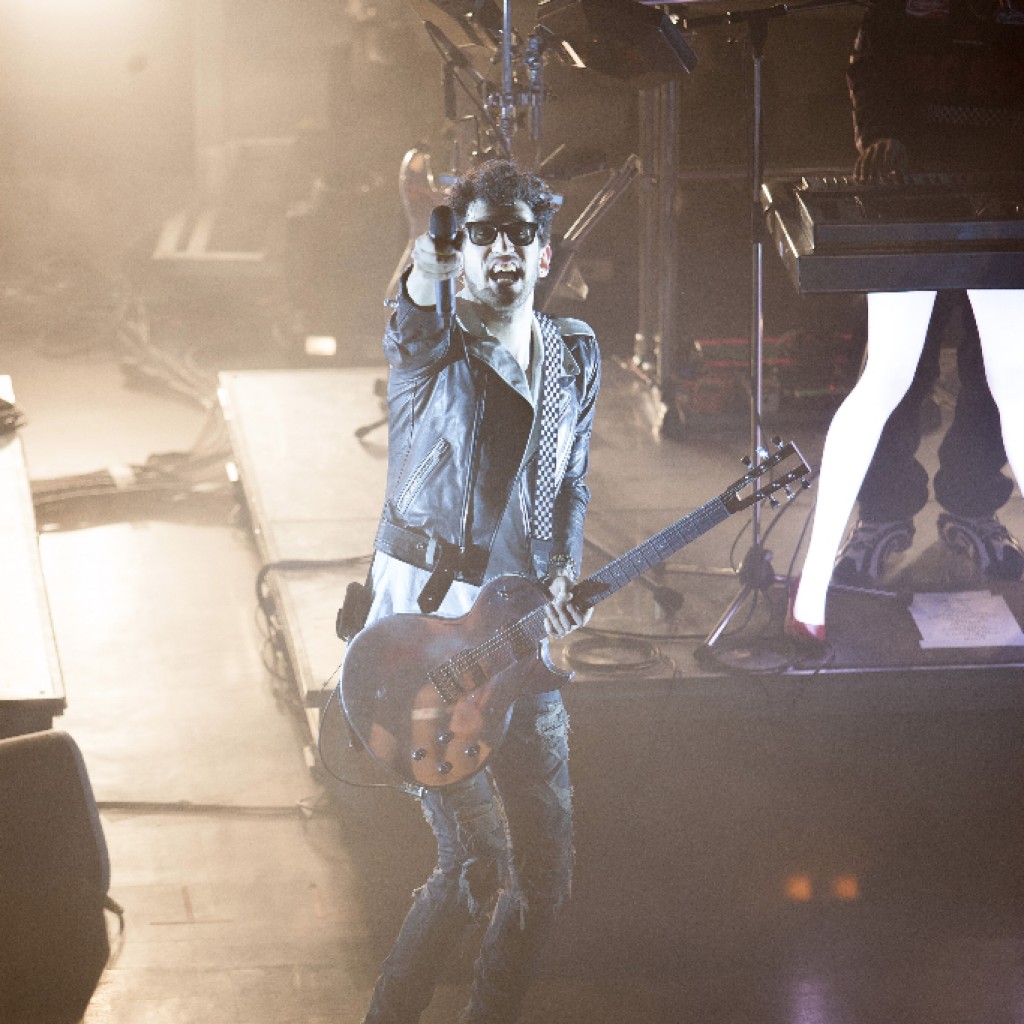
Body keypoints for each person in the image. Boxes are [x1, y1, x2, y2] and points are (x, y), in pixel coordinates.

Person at [348, 158, 601, 1024]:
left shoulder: (574, 354)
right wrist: (428, 254)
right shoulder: (434, 346)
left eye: (518, 235)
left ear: (543, 253)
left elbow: (571, 484)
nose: (501, 250)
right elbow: (413, 313)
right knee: (475, 863)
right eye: (482, 234)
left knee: (546, 878)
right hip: (424, 649)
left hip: (518, 645)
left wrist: (562, 574)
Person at [787, 0, 1024, 645]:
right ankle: (879, 519)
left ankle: (973, 508)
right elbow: (872, 65)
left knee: (1003, 378)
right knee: (891, 376)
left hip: (1007, 191)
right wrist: (881, 136)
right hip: (912, 192)